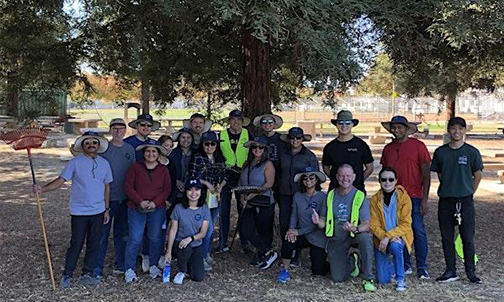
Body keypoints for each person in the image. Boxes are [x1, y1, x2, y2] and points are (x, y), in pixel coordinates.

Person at [34, 131, 112, 288]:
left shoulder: (104, 164)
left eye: (94, 143)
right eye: (87, 143)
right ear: (83, 146)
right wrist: (42, 189)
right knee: (76, 243)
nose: (91, 145)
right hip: (79, 212)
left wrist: (106, 208)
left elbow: (107, 187)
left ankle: (87, 273)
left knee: (94, 244)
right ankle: (67, 275)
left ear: (98, 145)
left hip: (98, 211)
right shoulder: (74, 163)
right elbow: (60, 180)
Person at [431, 117, 483, 284]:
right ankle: (450, 270)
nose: (457, 132)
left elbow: (478, 174)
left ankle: (470, 272)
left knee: (467, 237)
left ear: (465, 130)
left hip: (465, 201)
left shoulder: (472, 152)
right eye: (453, 128)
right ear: (449, 130)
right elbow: (439, 173)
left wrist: (469, 191)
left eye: (460, 128)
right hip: (446, 200)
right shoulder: (441, 152)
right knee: (447, 237)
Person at [381, 115, 431, 279]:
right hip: (394, 198)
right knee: (398, 230)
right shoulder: (388, 149)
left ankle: (422, 267)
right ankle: (405, 264)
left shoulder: (418, 146)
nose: (396, 130)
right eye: (393, 128)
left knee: (417, 230)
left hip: (414, 196)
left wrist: (424, 199)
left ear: (407, 129)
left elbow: (426, 174)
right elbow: (385, 175)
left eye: (399, 127)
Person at [312, 164, 376, 292]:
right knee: (337, 278)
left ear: (354, 177)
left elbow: (366, 224)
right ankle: (353, 261)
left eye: (348, 176)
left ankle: (368, 278)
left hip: (355, 235)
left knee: (366, 238)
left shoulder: (360, 196)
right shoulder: (330, 195)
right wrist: (318, 221)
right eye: (341, 175)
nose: (344, 178)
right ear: (336, 177)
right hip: (338, 238)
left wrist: (355, 229)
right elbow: (324, 221)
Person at [123, 141, 172, 283]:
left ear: (158, 154)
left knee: (155, 237)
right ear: (144, 153)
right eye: (148, 151)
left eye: (154, 152)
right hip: (136, 207)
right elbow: (128, 187)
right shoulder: (135, 168)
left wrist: (155, 202)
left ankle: (153, 265)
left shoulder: (163, 170)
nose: (151, 154)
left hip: (157, 208)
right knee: (135, 238)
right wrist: (140, 201)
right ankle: (129, 269)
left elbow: (166, 190)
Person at [94, 118, 136, 278]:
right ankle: (97, 267)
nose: (118, 131)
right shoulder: (104, 149)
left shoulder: (129, 149)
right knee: (102, 234)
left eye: (121, 128)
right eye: (115, 128)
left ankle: (120, 264)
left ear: (125, 131)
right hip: (106, 199)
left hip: (125, 198)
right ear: (111, 130)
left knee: (122, 233)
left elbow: (134, 173)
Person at [277, 167, 329, 283]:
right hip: (302, 234)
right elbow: (294, 215)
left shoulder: (323, 197)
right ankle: (285, 270)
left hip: (317, 236)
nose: (308, 180)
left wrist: (298, 232)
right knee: (288, 239)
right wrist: (291, 230)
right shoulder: (298, 196)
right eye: (305, 178)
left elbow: (320, 223)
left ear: (316, 180)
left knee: (319, 272)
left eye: (311, 178)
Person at [279, 127, 319, 265]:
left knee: (300, 222)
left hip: (301, 194)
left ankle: (297, 254)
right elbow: (278, 171)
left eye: (298, 138)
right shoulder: (283, 154)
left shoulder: (309, 156)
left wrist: (311, 193)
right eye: (292, 138)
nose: (295, 140)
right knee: (284, 223)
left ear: (302, 140)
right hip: (284, 193)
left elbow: (315, 176)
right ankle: (287, 251)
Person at [188, 131, 228, 270]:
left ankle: (207, 252)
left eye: (212, 144)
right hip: (202, 197)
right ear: (202, 145)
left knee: (211, 225)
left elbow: (225, 176)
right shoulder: (197, 157)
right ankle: (202, 257)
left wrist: (220, 186)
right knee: (208, 228)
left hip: (215, 197)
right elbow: (193, 176)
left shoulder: (220, 158)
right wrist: (206, 183)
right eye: (207, 144)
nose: (210, 146)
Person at [369, 167, 413, 291]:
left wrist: (390, 236)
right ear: (379, 181)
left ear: (396, 181)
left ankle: (400, 279)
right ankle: (394, 267)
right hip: (381, 239)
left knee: (395, 246)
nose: (387, 182)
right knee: (382, 281)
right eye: (384, 179)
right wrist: (385, 237)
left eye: (390, 179)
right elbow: (374, 225)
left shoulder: (404, 198)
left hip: (398, 237)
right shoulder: (374, 200)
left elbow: (406, 223)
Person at [239, 137, 278, 269]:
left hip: (263, 201)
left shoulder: (268, 164)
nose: (257, 150)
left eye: (260, 147)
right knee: (246, 229)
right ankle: (267, 251)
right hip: (248, 202)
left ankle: (264, 254)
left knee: (264, 230)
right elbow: (241, 182)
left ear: (265, 149)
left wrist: (252, 195)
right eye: (254, 147)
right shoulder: (246, 164)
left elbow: (269, 183)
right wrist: (243, 197)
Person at [218, 109, 254, 252]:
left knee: (243, 208)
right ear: (229, 121)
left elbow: (254, 151)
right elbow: (216, 152)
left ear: (242, 122)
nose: (236, 123)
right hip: (226, 175)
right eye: (233, 120)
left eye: (239, 120)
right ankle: (222, 242)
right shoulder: (221, 134)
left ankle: (244, 242)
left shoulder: (247, 134)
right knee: (224, 210)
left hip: (242, 174)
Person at [165, 178, 210, 285]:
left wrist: (190, 238)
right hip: (180, 244)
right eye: (190, 190)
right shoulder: (178, 208)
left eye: (197, 190)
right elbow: (173, 230)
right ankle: (182, 271)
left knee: (198, 277)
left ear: (201, 191)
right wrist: (168, 251)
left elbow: (203, 233)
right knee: (186, 248)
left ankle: (188, 265)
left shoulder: (204, 209)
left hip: (195, 244)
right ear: (185, 192)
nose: (193, 193)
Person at [322, 110, 374, 193]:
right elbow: (326, 167)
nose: (344, 126)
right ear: (336, 124)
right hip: (335, 191)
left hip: (357, 191)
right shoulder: (330, 147)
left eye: (347, 123)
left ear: (352, 124)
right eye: (340, 122)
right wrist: (337, 179)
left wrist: (358, 180)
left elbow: (370, 167)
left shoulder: (361, 145)